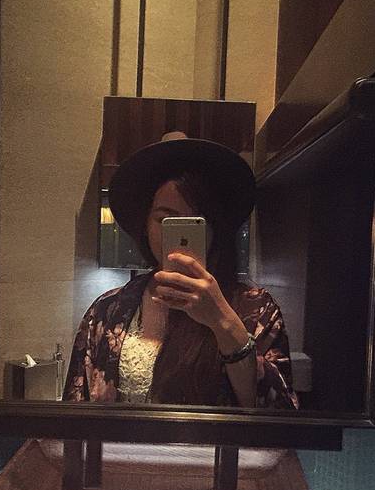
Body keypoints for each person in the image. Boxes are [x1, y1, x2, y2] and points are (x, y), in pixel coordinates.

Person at [63, 132, 297, 409]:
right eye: (165, 219)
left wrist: (223, 322)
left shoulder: (258, 310)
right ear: (145, 225)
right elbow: (76, 411)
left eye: (195, 221)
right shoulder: (106, 310)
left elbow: (277, 415)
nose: (180, 234)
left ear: (215, 228)